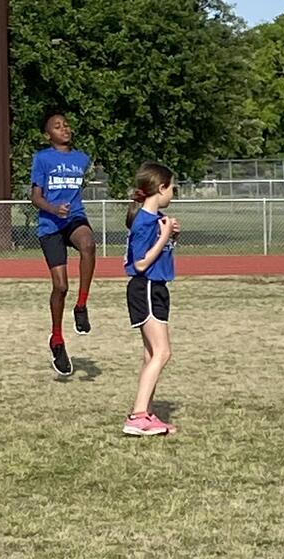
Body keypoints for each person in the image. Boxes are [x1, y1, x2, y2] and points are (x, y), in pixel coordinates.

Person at [29, 111, 96, 377]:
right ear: (48, 135)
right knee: (61, 286)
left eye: (66, 125)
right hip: (50, 224)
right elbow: (36, 197)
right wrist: (53, 208)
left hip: (74, 218)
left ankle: (81, 305)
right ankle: (57, 339)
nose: (64, 129)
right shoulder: (42, 158)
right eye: (57, 127)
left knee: (88, 244)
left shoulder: (82, 159)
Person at [122, 162, 179, 436]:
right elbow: (141, 263)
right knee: (163, 352)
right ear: (161, 188)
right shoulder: (145, 221)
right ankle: (138, 416)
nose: (173, 193)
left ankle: (147, 413)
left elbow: (159, 254)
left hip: (155, 287)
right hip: (145, 287)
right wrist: (164, 236)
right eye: (172, 187)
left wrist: (171, 236)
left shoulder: (157, 220)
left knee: (151, 355)